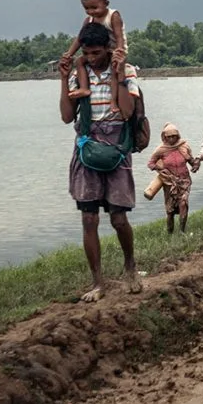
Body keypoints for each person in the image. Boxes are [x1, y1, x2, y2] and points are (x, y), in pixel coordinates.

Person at [59, 22, 142, 303]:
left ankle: (130, 266)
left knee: (119, 218)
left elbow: (128, 112)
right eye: (86, 52)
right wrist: (63, 79)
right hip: (87, 146)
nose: (91, 57)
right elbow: (67, 116)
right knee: (89, 217)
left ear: (108, 48)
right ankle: (98, 282)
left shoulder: (127, 71)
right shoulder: (77, 75)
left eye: (96, 52)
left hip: (117, 146)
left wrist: (117, 76)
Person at [61, 0, 128, 101]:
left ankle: (113, 100)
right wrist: (69, 54)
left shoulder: (113, 16)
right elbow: (79, 39)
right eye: (87, 8)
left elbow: (119, 37)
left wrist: (119, 52)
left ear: (106, 3)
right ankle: (84, 88)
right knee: (79, 62)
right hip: (100, 51)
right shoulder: (89, 20)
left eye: (94, 7)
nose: (91, 11)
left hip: (115, 50)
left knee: (114, 71)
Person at [145, 123, 193, 235]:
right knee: (170, 211)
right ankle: (170, 233)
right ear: (164, 137)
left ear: (177, 136)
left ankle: (182, 231)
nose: (171, 139)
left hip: (184, 181)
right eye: (169, 137)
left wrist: (195, 164)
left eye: (174, 136)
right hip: (169, 183)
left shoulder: (184, 146)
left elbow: (191, 160)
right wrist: (160, 169)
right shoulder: (161, 150)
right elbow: (150, 163)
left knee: (183, 204)